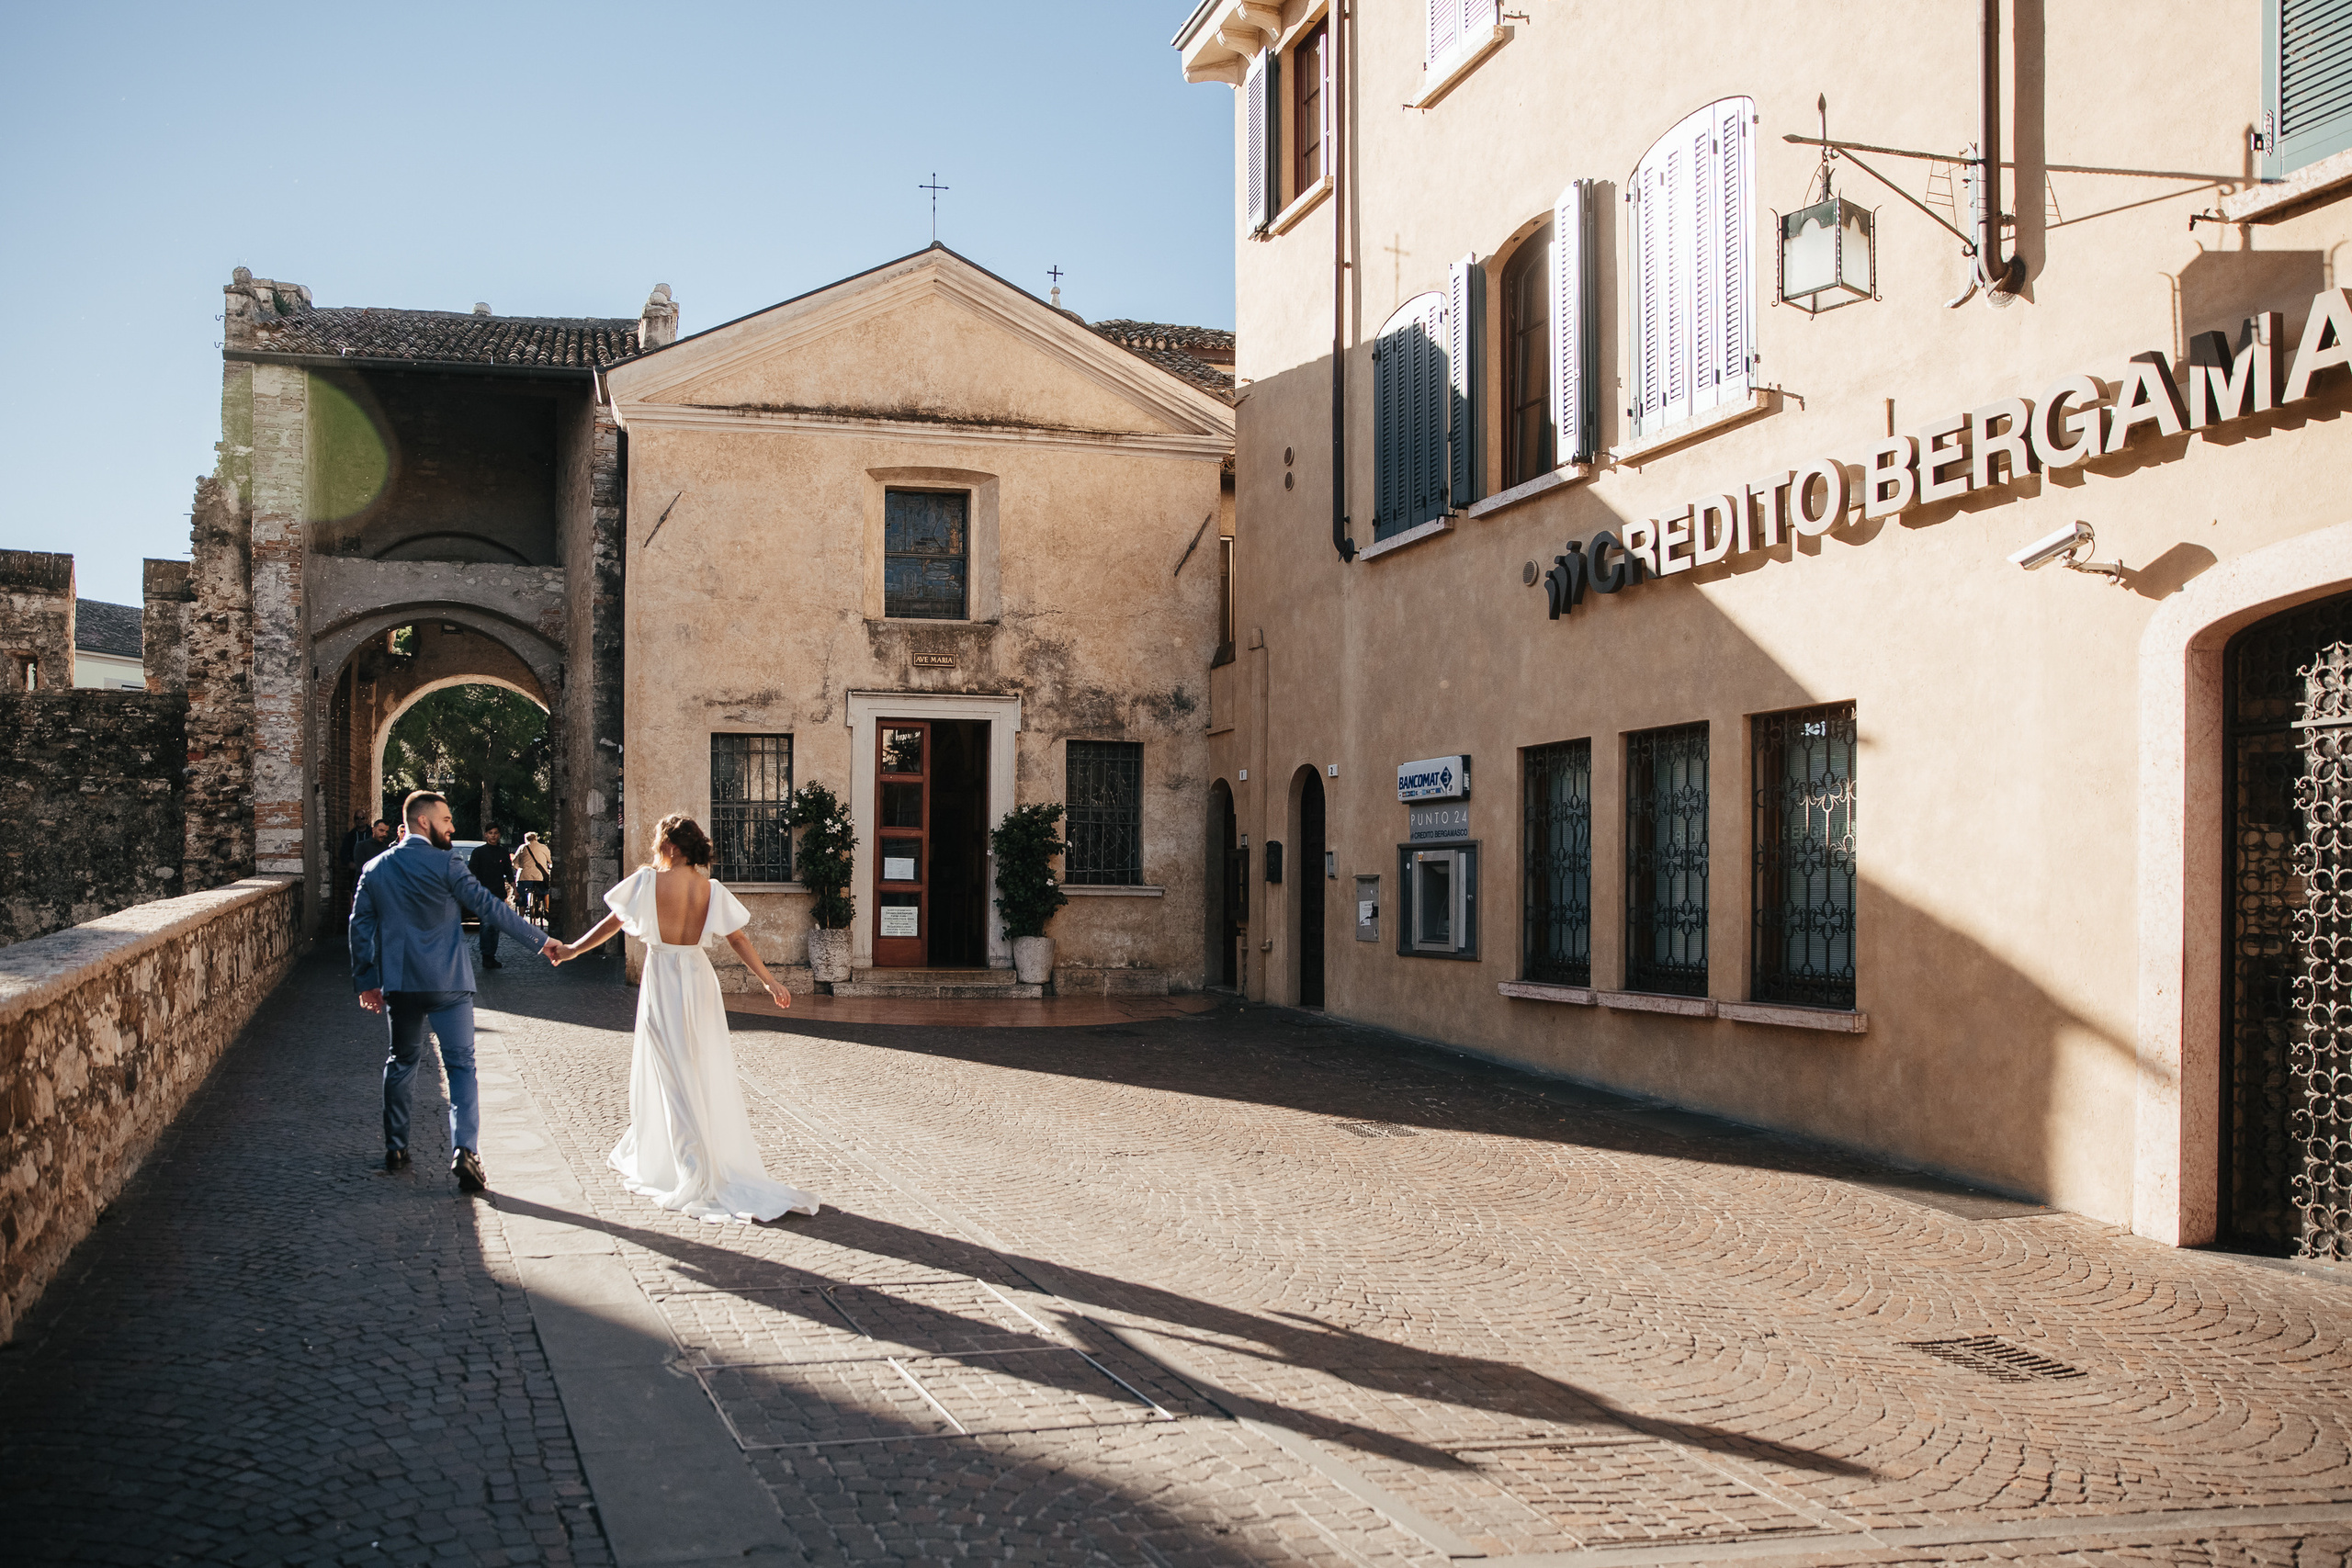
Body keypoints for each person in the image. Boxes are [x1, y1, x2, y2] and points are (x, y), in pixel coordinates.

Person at [548, 813, 819, 1223]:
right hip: (697, 977)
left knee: (669, 1068)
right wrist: (769, 981)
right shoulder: (710, 888)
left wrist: (572, 950)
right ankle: (697, 1153)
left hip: (663, 977)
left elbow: (613, 923)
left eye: (659, 841)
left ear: (671, 847)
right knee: (697, 1065)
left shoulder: (647, 882)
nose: (655, 848)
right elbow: (738, 938)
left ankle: (692, 1166)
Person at [350, 791, 555, 1190]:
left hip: (401, 984)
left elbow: (360, 928)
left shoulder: (375, 869)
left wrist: (366, 981)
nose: (452, 826)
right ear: (423, 821)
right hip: (449, 983)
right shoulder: (448, 864)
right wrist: (541, 941)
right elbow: (490, 907)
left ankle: (396, 1148)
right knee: (461, 1067)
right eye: (446, 820)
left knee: (401, 1061)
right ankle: (466, 1150)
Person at [468, 827, 516, 969]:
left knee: (495, 926)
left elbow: (509, 873)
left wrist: (515, 889)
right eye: (490, 833)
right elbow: (472, 873)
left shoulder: (503, 852)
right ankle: (486, 956)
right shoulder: (478, 852)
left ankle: (491, 955)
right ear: (486, 835)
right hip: (483, 893)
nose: (493, 836)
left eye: (495, 833)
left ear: (499, 835)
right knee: (486, 924)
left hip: (498, 893)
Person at [514, 830, 553, 921]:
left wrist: (519, 867)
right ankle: (547, 908)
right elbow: (550, 860)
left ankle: (521, 916)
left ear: (526, 839)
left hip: (524, 877)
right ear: (536, 838)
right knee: (545, 890)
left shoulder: (522, 847)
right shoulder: (543, 847)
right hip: (539, 877)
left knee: (521, 894)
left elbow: (515, 863)